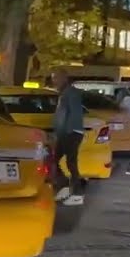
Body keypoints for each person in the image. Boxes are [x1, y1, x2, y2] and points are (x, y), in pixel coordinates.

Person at [51, 70, 86, 206]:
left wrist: (62, 132)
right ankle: (66, 187)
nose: (54, 81)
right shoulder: (65, 93)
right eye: (53, 78)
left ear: (64, 78)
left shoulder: (70, 93)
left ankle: (77, 194)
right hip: (68, 131)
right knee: (56, 159)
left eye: (56, 78)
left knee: (70, 162)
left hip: (70, 132)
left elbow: (70, 114)